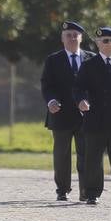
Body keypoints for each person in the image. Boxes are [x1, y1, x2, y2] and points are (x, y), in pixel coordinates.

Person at [74, 26, 111, 205]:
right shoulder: (88, 65)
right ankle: (92, 193)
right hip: (95, 119)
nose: (110, 44)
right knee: (93, 157)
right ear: (97, 43)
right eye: (105, 41)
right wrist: (81, 100)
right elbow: (78, 88)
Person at [41, 20, 93, 201]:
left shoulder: (91, 59)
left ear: (81, 38)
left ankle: (86, 191)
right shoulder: (53, 60)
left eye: (75, 35)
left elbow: (96, 86)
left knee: (86, 154)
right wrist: (51, 101)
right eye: (68, 35)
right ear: (62, 39)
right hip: (61, 114)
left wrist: (88, 102)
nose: (72, 38)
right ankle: (62, 189)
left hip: (85, 115)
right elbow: (47, 85)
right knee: (62, 155)